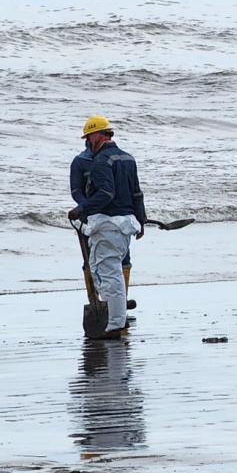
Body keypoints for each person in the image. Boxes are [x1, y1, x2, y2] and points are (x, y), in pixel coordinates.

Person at [68, 116, 147, 339]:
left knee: (109, 275)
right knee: (108, 272)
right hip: (125, 224)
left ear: (98, 135)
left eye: (88, 137)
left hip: (108, 224)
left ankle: (114, 323)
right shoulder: (128, 158)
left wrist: (81, 208)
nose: (87, 142)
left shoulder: (101, 162)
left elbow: (106, 194)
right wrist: (140, 220)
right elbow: (136, 193)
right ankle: (116, 315)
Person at [70, 142, 134, 312]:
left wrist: (137, 214)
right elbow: (76, 191)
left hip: (116, 219)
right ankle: (95, 301)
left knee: (124, 260)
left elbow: (126, 189)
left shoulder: (113, 160)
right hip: (91, 219)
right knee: (90, 259)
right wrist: (88, 208)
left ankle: (120, 301)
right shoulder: (80, 162)